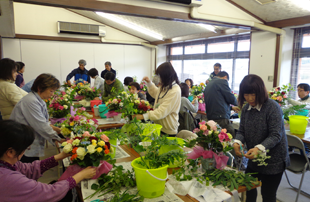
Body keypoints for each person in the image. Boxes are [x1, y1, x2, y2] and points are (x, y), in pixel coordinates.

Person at [0, 120, 96, 202]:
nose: (25, 151)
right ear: (11, 152)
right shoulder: (8, 179)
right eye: (25, 149)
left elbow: (29, 169)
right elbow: (50, 192)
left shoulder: (6, 164)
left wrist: (60, 156)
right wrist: (81, 175)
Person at [233, 74, 290, 202]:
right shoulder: (247, 108)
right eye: (246, 95)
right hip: (254, 159)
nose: (250, 98)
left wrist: (259, 148)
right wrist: (237, 142)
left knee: (268, 195)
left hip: (274, 160)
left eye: (253, 94)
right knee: (249, 188)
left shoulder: (272, 107)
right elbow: (242, 130)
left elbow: (276, 135)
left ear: (260, 92)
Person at [10, 74, 64, 163]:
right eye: (51, 91)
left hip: (27, 141)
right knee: (27, 169)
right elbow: (41, 125)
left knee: (32, 168)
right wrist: (59, 139)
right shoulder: (31, 101)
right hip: (22, 142)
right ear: (40, 88)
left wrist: (59, 130)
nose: (52, 94)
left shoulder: (38, 100)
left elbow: (44, 123)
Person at [133, 62, 181, 136]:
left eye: (159, 76)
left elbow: (162, 111)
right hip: (158, 126)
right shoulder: (164, 86)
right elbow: (157, 94)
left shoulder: (175, 90)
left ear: (165, 76)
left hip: (168, 130)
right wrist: (149, 83)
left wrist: (143, 116)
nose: (158, 78)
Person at [203, 71, 239, 137]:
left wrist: (231, 108)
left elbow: (217, 101)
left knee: (217, 139)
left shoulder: (209, 84)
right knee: (230, 136)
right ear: (225, 77)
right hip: (221, 118)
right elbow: (231, 98)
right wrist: (239, 103)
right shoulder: (222, 82)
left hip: (211, 117)